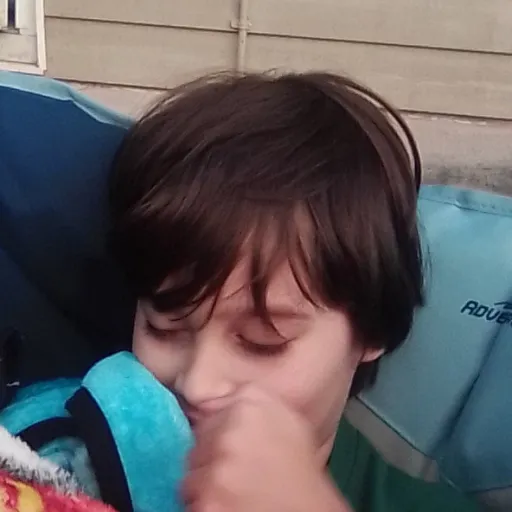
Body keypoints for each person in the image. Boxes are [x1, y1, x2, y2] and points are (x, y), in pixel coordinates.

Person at [106, 71, 479, 511]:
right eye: (163, 327)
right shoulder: (72, 450)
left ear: (371, 329)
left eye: (262, 341)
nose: (197, 385)